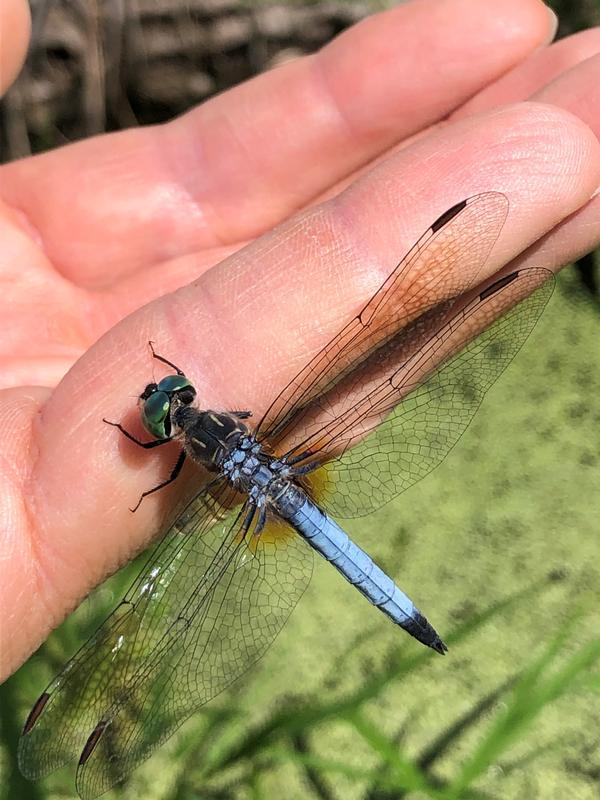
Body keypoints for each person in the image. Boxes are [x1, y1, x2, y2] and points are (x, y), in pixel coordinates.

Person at [1, 0, 599, 683]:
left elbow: (161, 462)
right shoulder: (227, 427)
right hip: (278, 470)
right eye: (168, 409)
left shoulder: (184, 450)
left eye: (169, 404)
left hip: (260, 489)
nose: (168, 406)